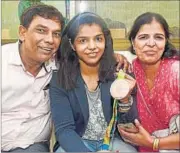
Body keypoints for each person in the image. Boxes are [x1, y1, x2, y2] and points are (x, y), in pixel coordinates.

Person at [1, 4, 132, 152]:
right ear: (22, 32)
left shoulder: (57, 65)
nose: (49, 40)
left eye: (56, 33)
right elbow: (65, 130)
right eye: (41, 31)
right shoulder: (4, 61)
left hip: (30, 145)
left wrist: (111, 56)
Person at [49, 12, 137, 152]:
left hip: (113, 141)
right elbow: (64, 131)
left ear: (105, 40)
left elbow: (130, 124)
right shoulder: (60, 79)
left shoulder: (119, 71)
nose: (92, 46)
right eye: (83, 40)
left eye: (98, 39)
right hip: (76, 142)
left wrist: (125, 99)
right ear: (72, 44)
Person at [118, 12, 180, 152]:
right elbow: (123, 122)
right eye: (143, 37)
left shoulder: (176, 72)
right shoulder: (128, 71)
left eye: (158, 37)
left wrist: (154, 143)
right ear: (133, 42)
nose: (151, 44)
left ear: (165, 42)